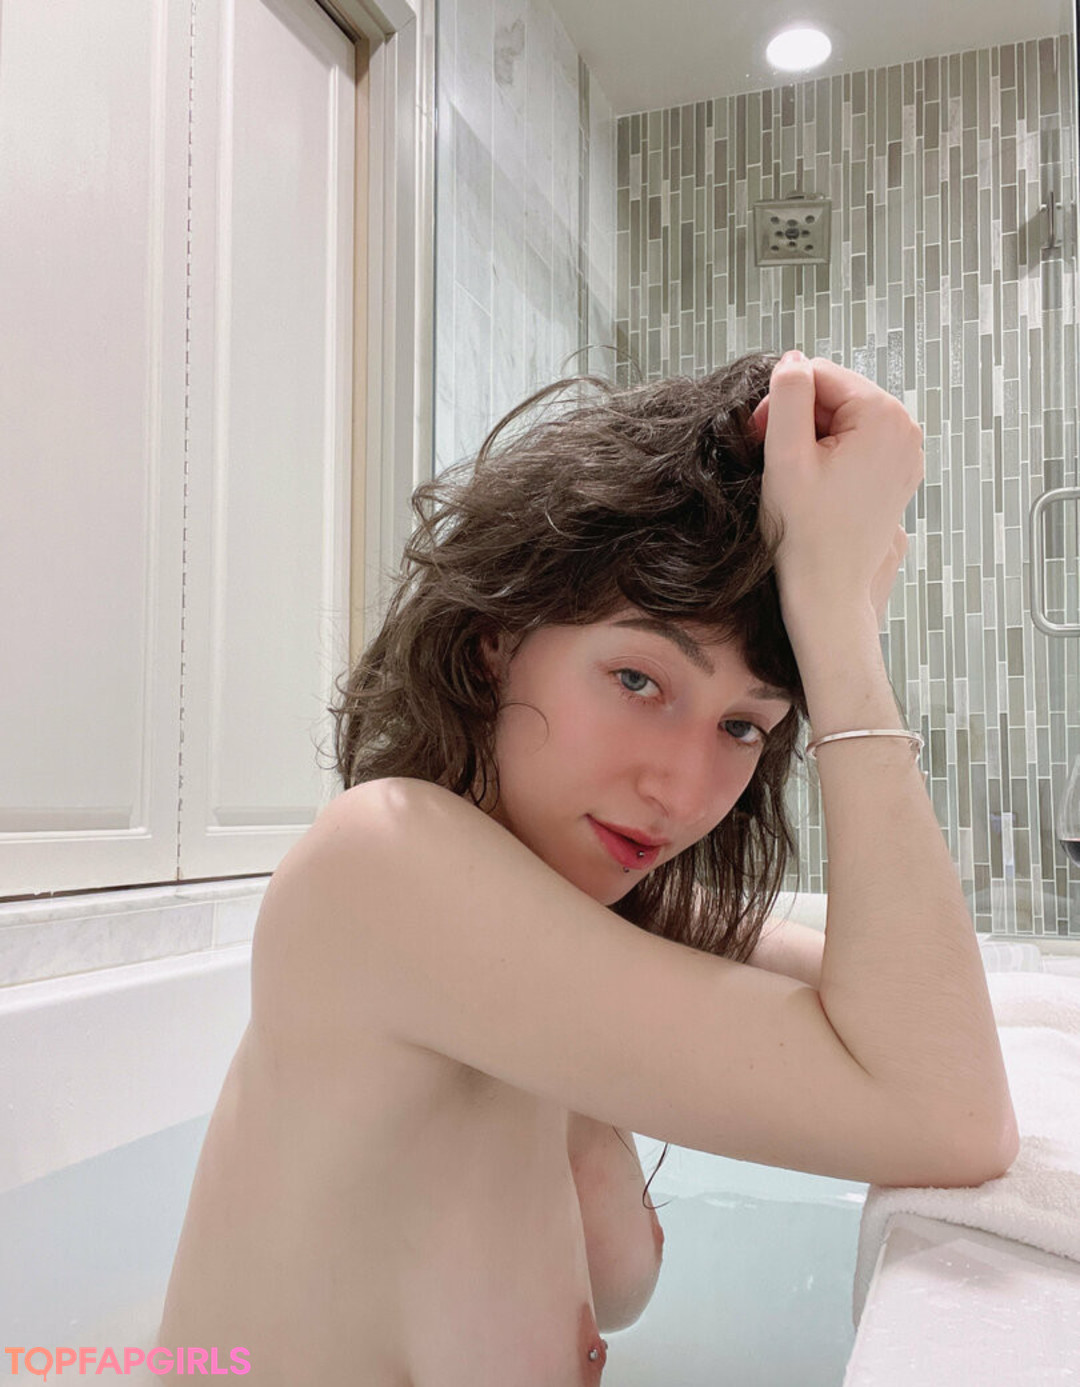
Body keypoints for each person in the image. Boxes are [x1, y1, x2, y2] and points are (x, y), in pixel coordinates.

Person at [156, 350, 1018, 1386]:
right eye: (637, 678)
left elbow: (921, 1017)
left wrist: (831, 599)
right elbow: (950, 1116)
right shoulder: (383, 866)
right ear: (495, 639)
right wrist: (836, 627)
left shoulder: (582, 910)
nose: (684, 791)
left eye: (743, 726)